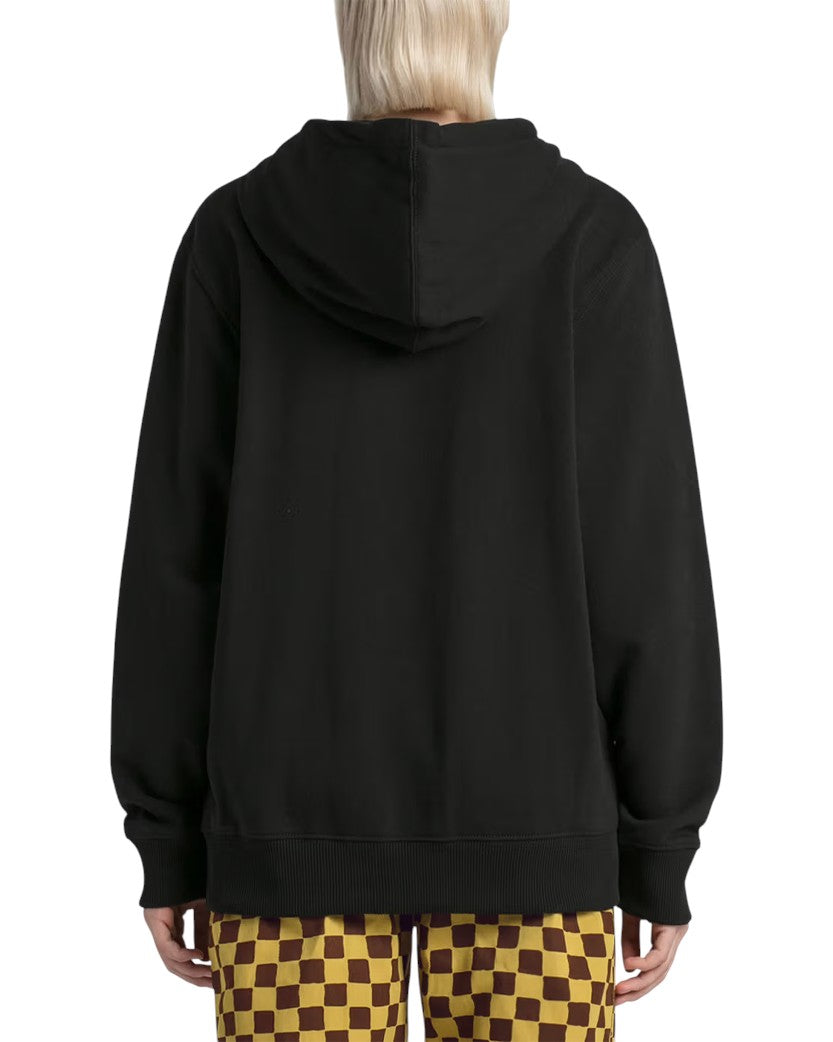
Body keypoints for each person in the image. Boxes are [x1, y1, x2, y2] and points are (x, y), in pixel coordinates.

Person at [110, 1, 723, 1038]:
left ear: (353, 32)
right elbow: (646, 566)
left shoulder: (237, 234)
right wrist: (657, 842)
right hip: (536, 849)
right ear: (488, 28)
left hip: (285, 848)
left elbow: (177, 563)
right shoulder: (592, 238)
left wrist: (168, 834)